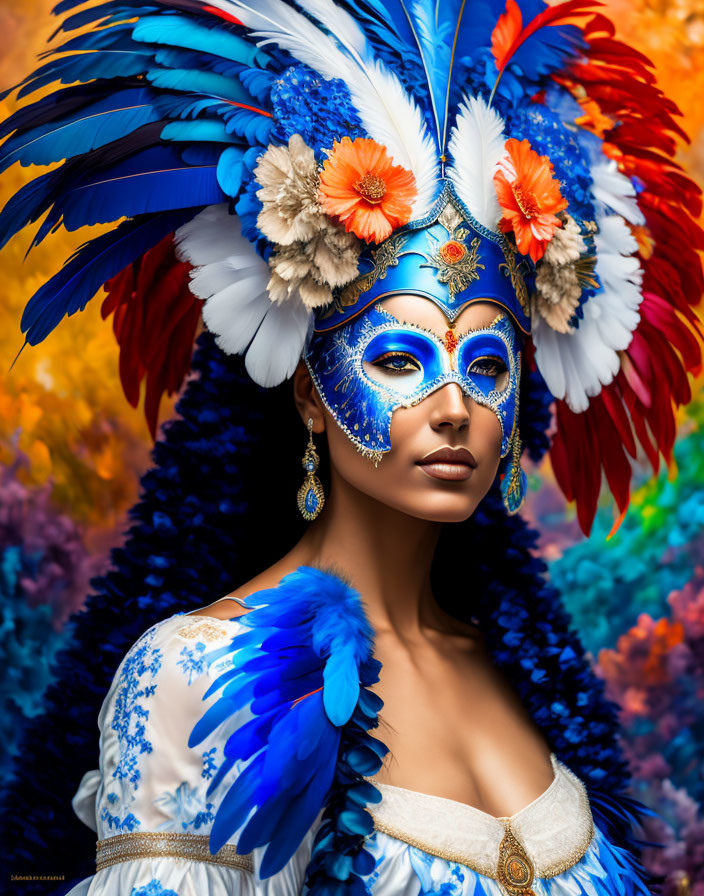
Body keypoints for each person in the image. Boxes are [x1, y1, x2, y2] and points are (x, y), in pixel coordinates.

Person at [0, 0, 701, 893]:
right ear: (310, 394)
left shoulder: (523, 681)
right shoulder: (195, 676)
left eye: (487, 366)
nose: (455, 408)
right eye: (401, 359)